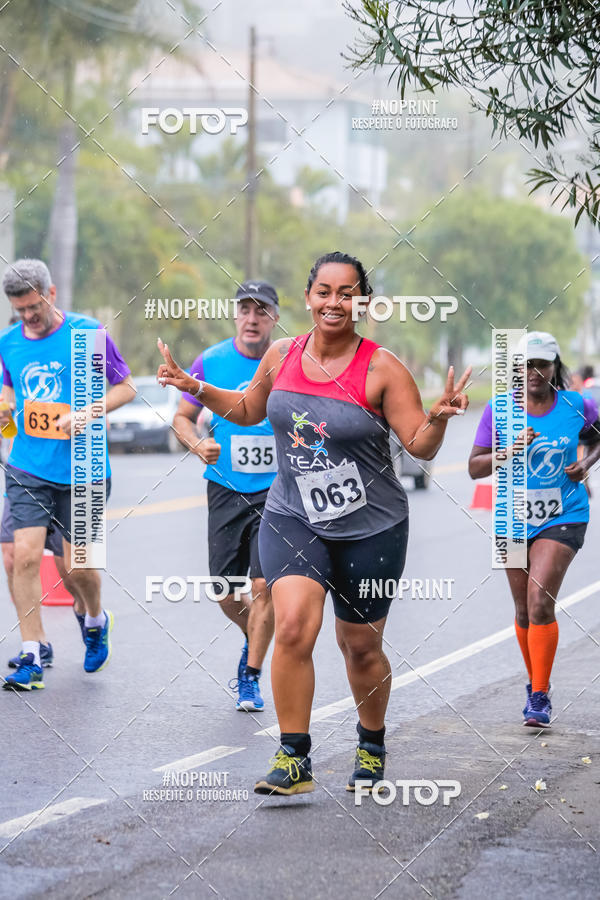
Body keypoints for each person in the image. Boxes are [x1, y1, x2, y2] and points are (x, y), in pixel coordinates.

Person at [158, 251, 470, 794]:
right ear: (308, 297)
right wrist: (194, 387)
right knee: (296, 627)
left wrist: (438, 418)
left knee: (361, 647)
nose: (334, 302)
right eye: (324, 291)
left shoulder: (381, 368)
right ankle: (293, 758)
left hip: (371, 526)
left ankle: (371, 744)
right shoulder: (283, 353)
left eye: (346, 293)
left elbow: (418, 444)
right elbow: (251, 410)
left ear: (361, 302)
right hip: (293, 514)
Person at [0, 258, 135, 691]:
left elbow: (126, 386)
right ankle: (33, 652)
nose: (28, 318)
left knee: (77, 569)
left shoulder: (86, 334)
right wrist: (4, 411)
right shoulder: (9, 343)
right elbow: (9, 388)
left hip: (85, 468)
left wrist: (87, 413)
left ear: (51, 294)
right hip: (28, 467)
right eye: (19, 311)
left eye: (33, 308)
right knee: (22, 556)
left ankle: (94, 618)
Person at [469, 332, 600, 727]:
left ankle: (539, 697)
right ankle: (535, 681)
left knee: (540, 599)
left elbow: (598, 439)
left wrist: (587, 463)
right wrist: (509, 450)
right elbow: (475, 467)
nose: (534, 372)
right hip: (511, 516)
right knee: (524, 608)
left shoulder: (577, 405)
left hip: (564, 514)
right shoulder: (499, 410)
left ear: (554, 366)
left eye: (542, 364)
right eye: (526, 365)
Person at [170, 280, 280, 712]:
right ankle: (255, 636)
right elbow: (182, 417)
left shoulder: (286, 360)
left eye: (262, 310)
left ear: (274, 316)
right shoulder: (211, 360)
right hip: (226, 489)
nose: (252, 319)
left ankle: (249, 676)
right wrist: (197, 444)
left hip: (278, 492)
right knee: (225, 591)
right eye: (245, 310)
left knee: (263, 587)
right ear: (236, 314)